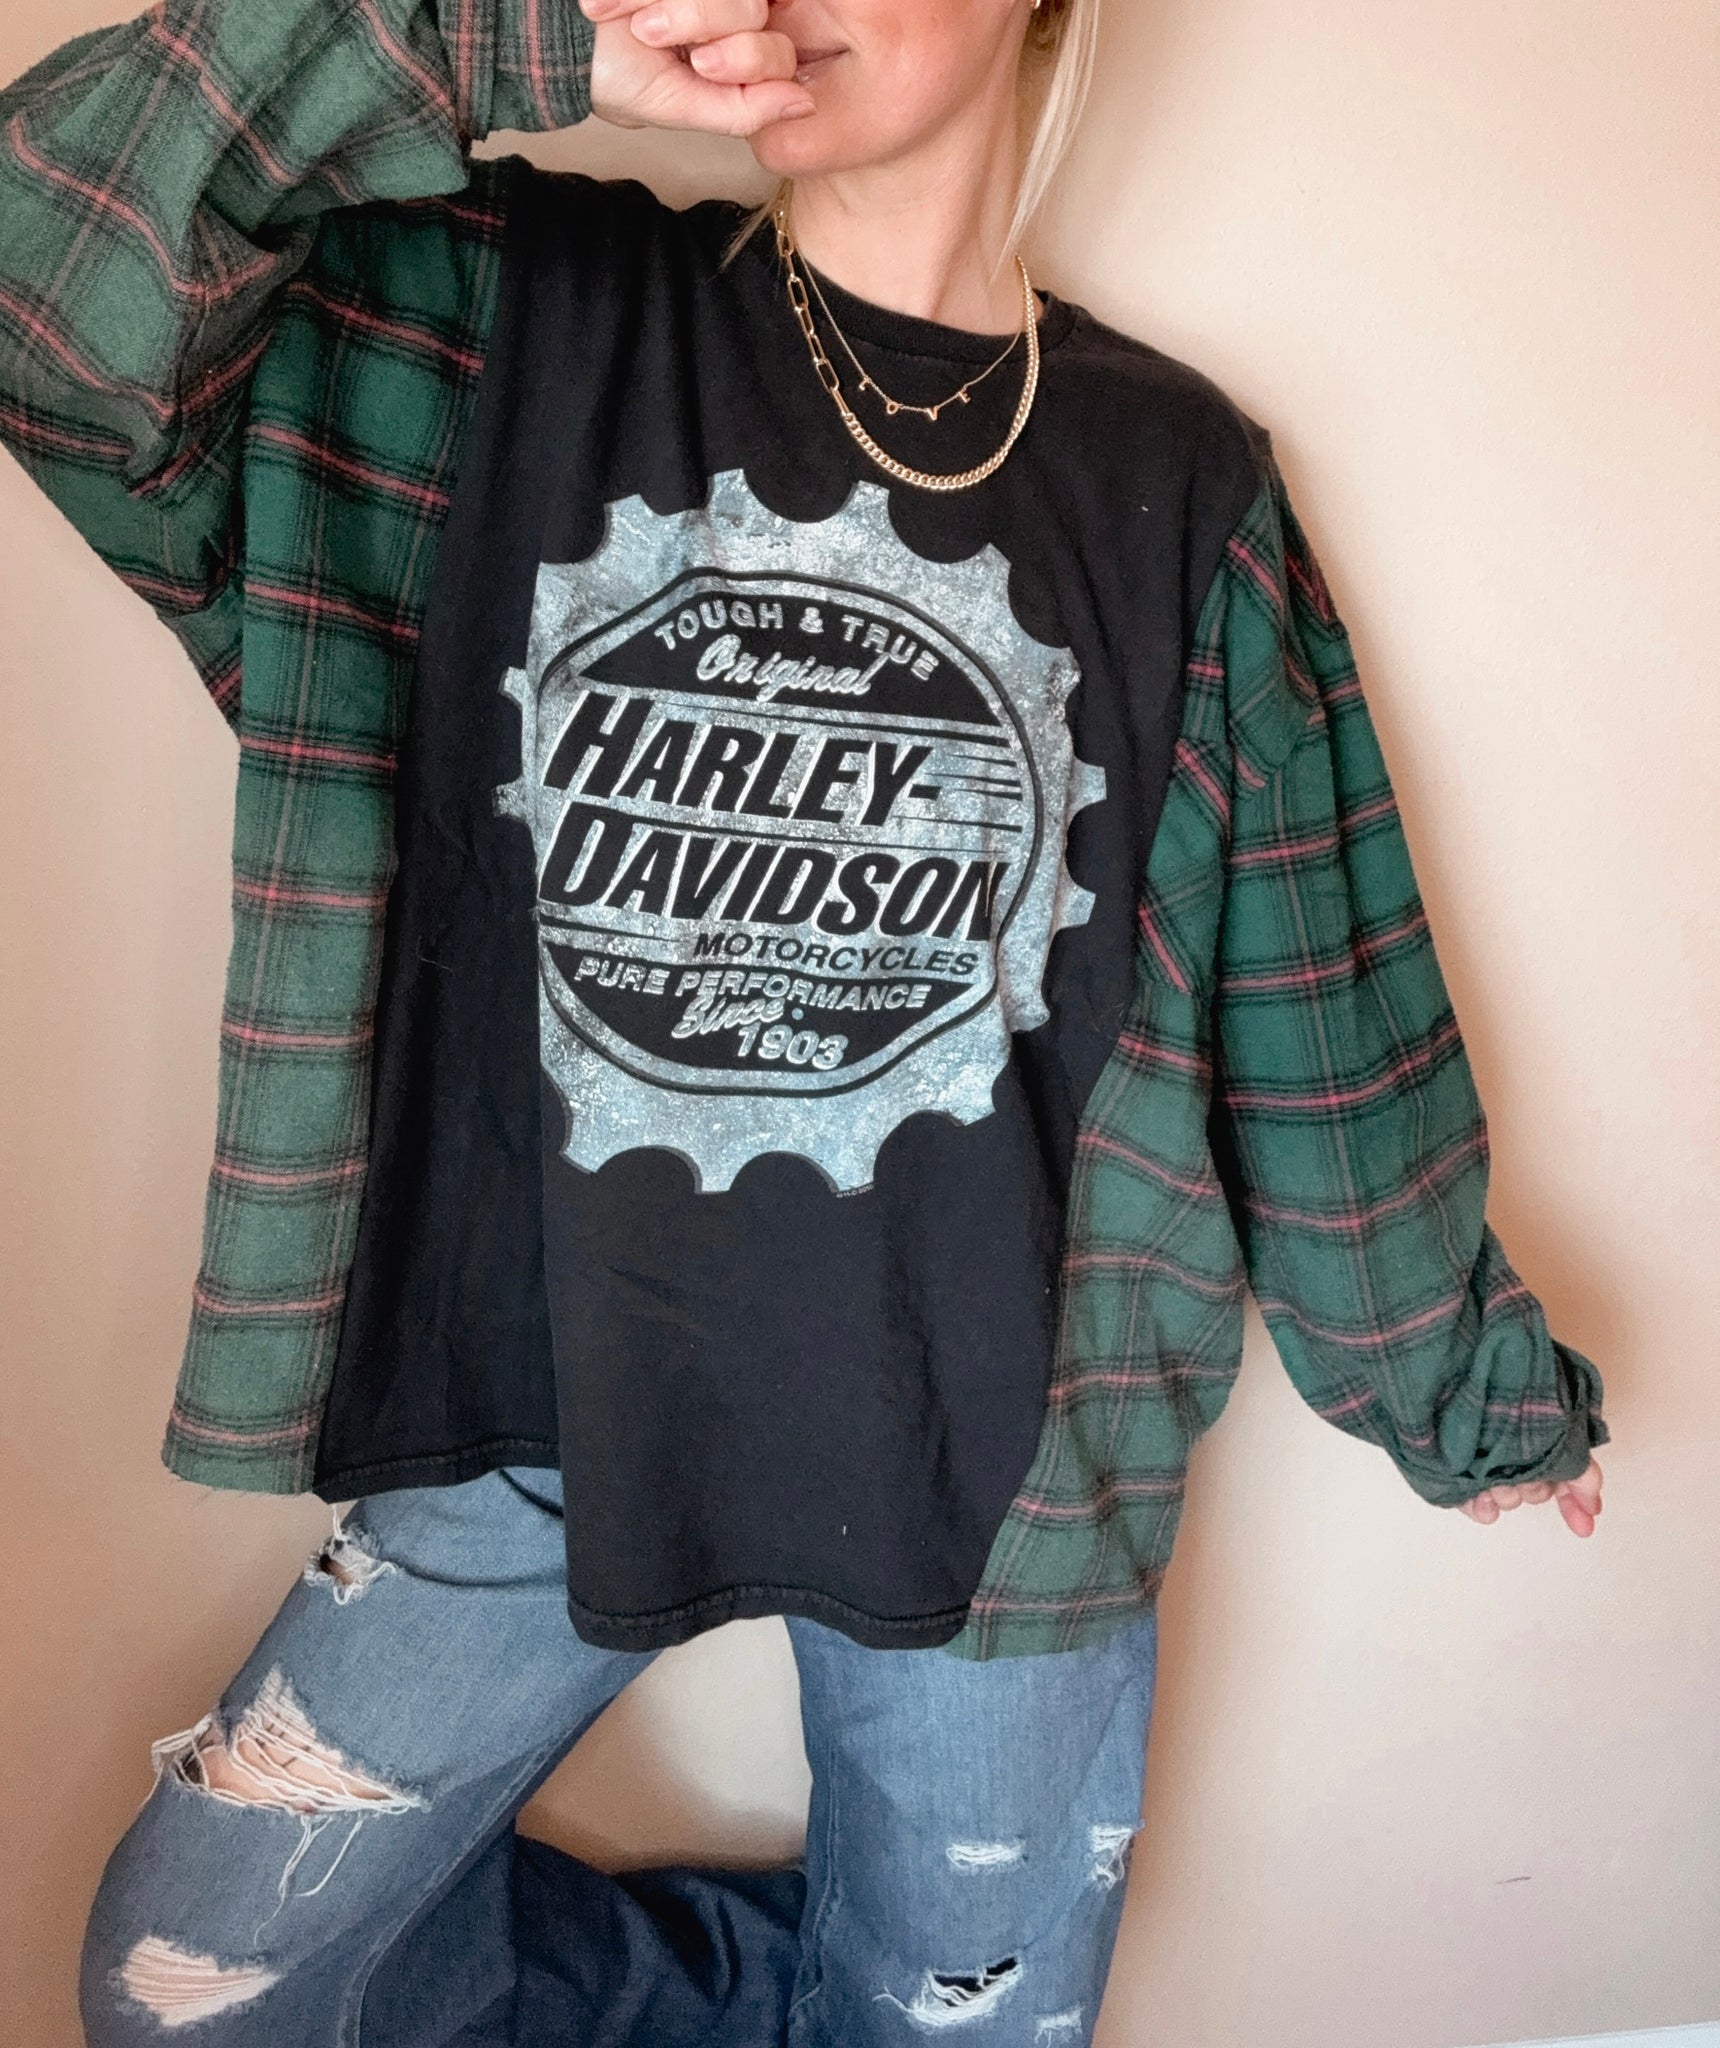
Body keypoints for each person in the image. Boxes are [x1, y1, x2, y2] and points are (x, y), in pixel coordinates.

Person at [0, 0, 1609, 2041]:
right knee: (197, 1987)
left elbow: (1313, 988)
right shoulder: (493, 325)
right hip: (537, 1381)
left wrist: (1459, 1386)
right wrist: (498, 34)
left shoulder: (1172, 474)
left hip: (1000, 1460)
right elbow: (45, 278)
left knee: (948, 2017)